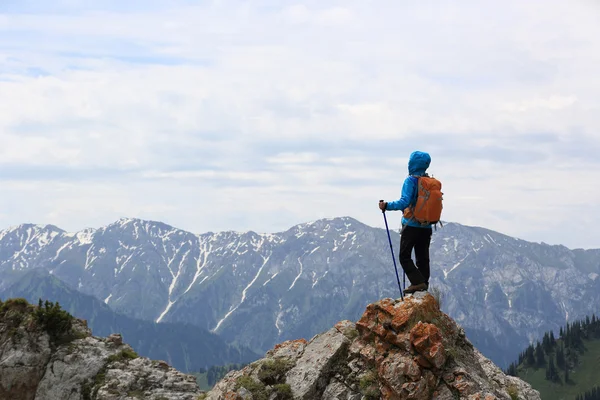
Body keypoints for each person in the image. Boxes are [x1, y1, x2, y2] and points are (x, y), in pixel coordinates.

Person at [379, 151, 433, 295]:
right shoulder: (430, 182)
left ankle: (417, 283)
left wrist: (387, 205)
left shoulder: (411, 181)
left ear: (412, 163)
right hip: (427, 226)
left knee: (404, 256)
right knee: (422, 257)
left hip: (411, 225)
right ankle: (424, 284)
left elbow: (405, 202)